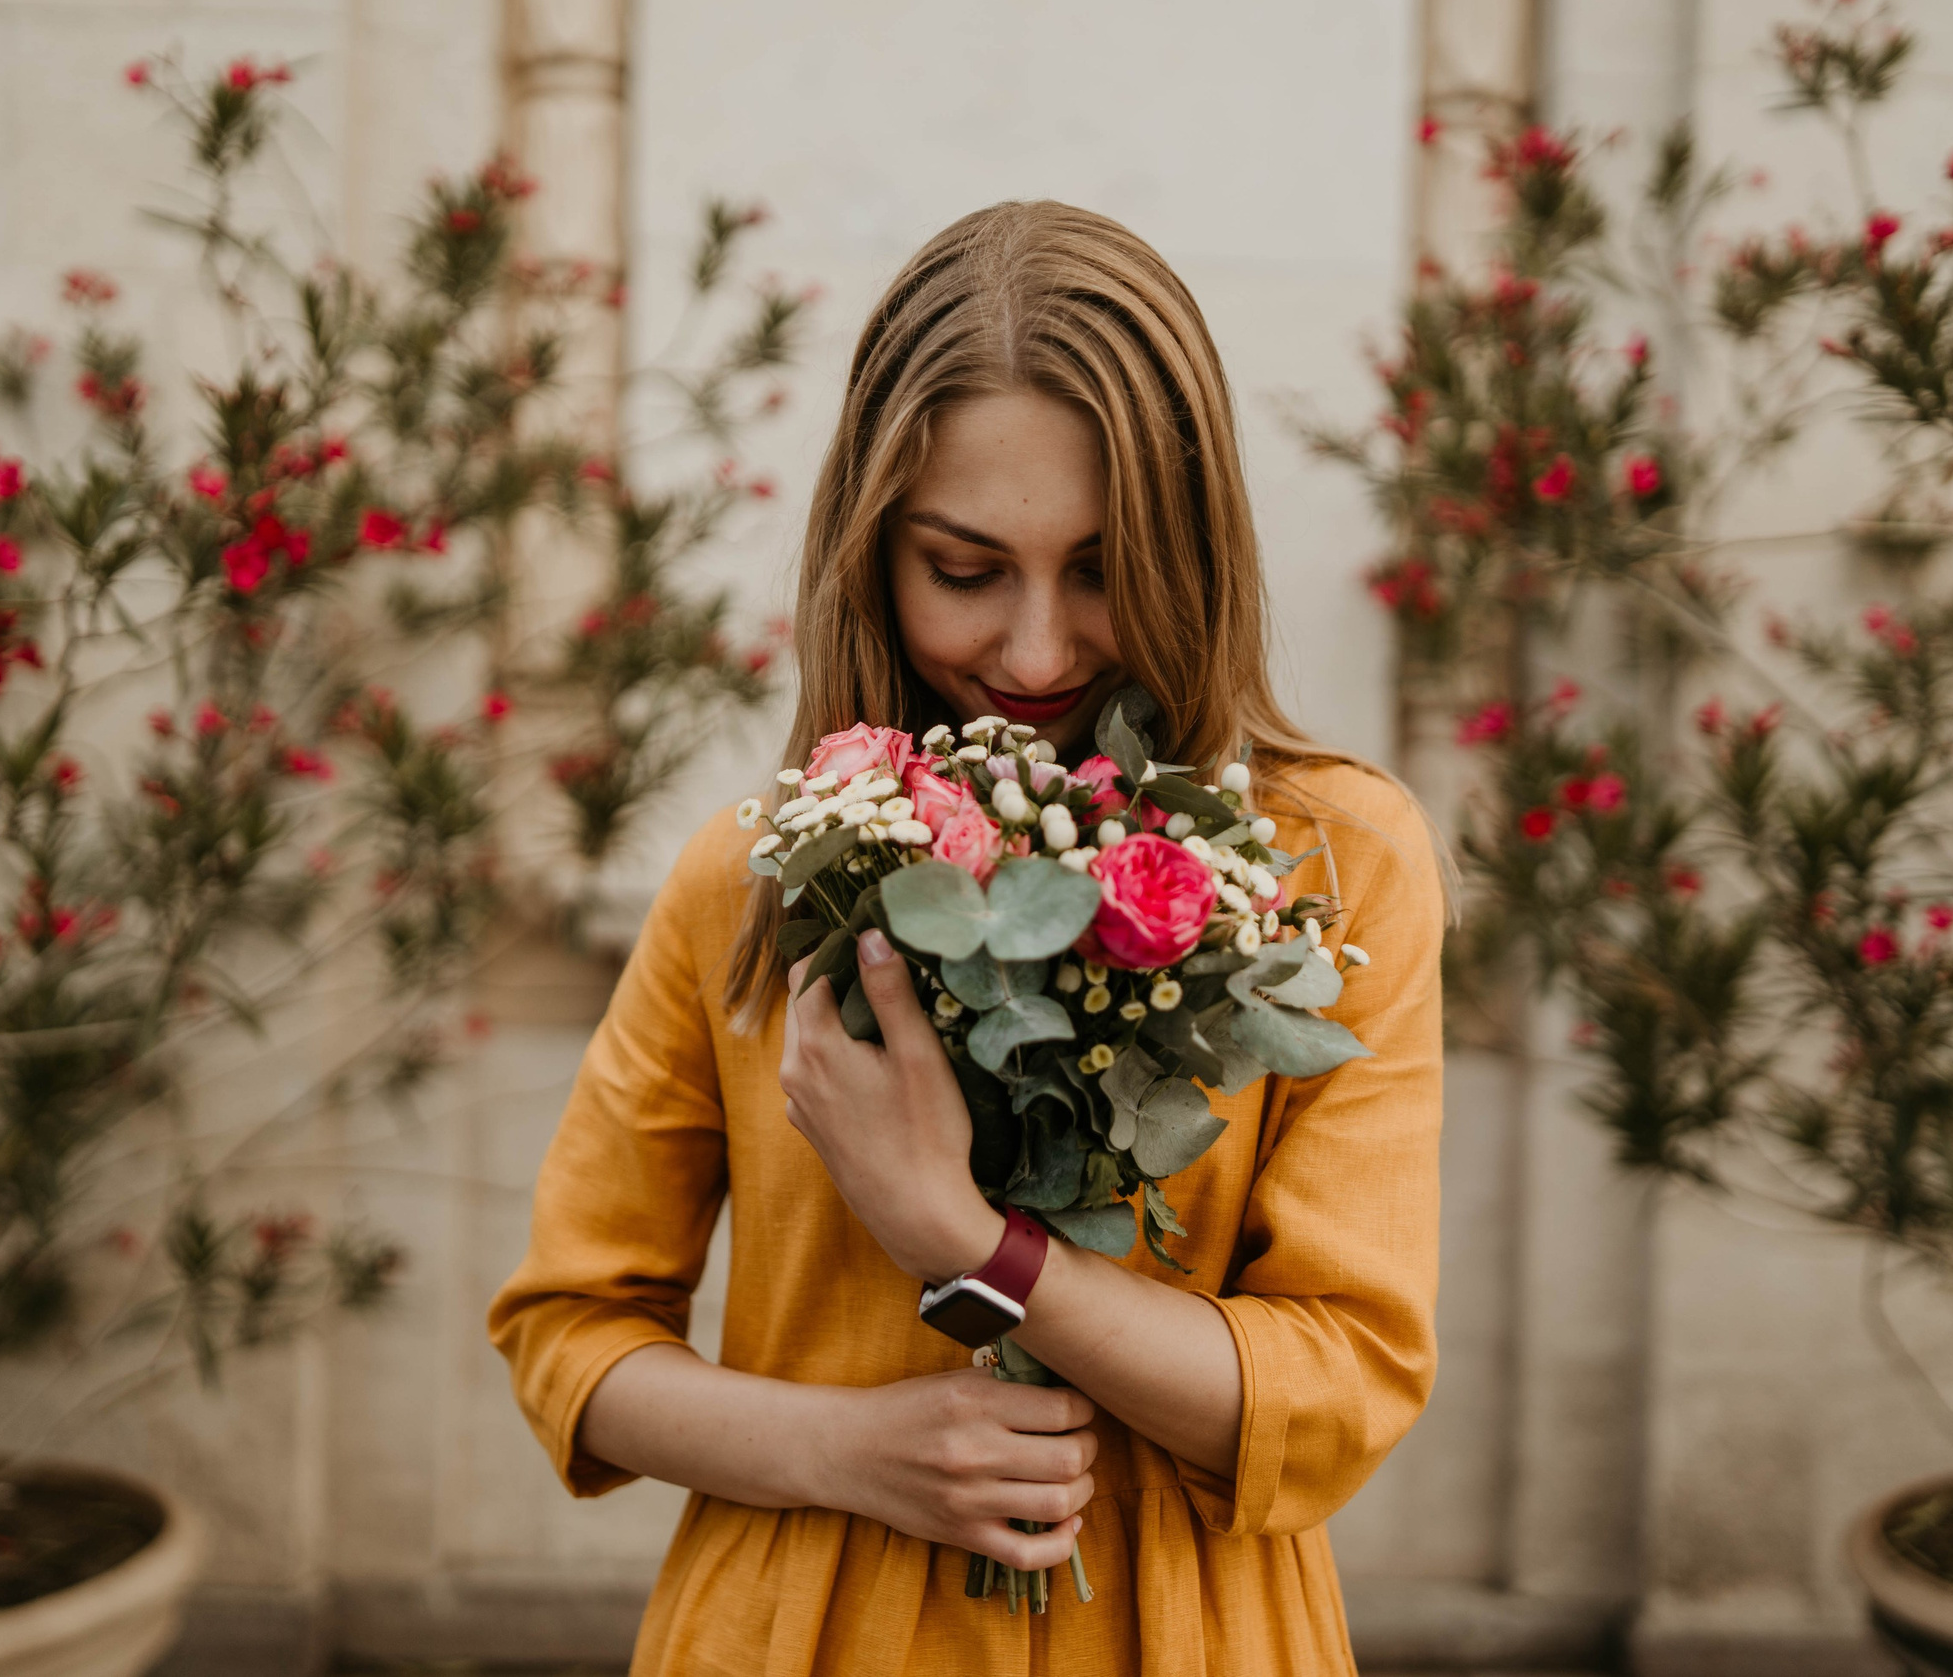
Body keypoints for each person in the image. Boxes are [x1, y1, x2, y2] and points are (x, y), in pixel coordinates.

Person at [489, 200, 1445, 1676]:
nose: (1041, 651)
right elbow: (570, 1338)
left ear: (1197, 547)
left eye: (1105, 565)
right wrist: (852, 1449)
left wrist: (968, 1245)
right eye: (967, 569)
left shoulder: (1339, 867)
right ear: (873, 553)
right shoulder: (741, 881)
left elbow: (1340, 1387)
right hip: (799, 1632)